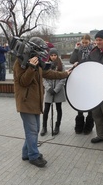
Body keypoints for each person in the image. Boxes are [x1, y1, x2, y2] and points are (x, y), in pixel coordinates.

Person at [13, 37, 72, 168]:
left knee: (34, 130)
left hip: (35, 102)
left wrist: (65, 74)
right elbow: (23, 82)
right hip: (26, 102)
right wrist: (31, 68)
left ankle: (25, 153)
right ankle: (34, 156)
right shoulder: (20, 63)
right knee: (32, 131)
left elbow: (49, 73)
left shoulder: (36, 62)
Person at [70, 34, 95, 135]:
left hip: (90, 79)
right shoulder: (79, 50)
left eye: (86, 42)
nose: (84, 44)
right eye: (83, 42)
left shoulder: (94, 50)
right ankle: (79, 125)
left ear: (90, 41)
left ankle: (89, 126)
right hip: (80, 80)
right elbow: (72, 60)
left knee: (90, 104)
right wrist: (76, 49)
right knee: (80, 104)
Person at [41, 48, 66, 136]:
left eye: (55, 55)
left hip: (58, 90)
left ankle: (57, 126)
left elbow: (63, 78)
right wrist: (48, 88)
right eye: (51, 55)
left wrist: (56, 89)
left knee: (58, 108)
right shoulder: (46, 65)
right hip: (49, 90)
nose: (53, 57)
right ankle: (44, 127)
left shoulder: (61, 65)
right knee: (46, 109)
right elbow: (43, 78)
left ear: (57, 55)